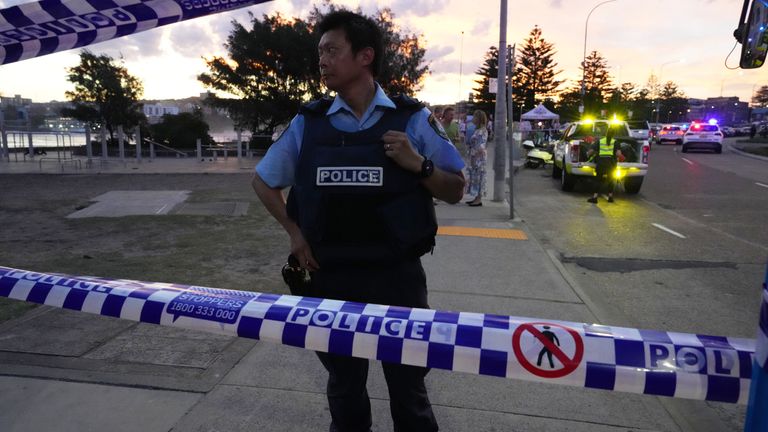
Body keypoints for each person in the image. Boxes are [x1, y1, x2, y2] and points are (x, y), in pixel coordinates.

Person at [251, 11, 465, 432]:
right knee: (345, 389)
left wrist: (417, 164)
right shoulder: (309, 123)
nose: (322, 61)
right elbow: (263, 181)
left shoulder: (411, 119)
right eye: (320, 53)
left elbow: (456, 188)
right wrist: (295, 233)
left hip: (397, 277)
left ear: (365, 56)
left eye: (332, 50)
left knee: (409, 391)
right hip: (331, 277)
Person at [586, 125, 623, 204]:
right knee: (611, 180)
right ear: (613, 134)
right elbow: (618, 154)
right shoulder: (616, 142)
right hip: (611, 164)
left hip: (601, 164)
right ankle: (610, 197)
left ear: (606, 133)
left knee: (598, 180)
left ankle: (595, 198)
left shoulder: (600, 141)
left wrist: (587, 154)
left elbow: (591, 151)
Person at [465, 110, 489, 207]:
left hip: (478, 157)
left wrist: (474, 158)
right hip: (476, 156)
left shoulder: (481, 131)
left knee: (478, 177)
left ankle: (478, 199)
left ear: (479, 118)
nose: (473, 119)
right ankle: (476, 198)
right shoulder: (478, 130)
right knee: (475, 177)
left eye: (475, 117)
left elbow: (480, 146)